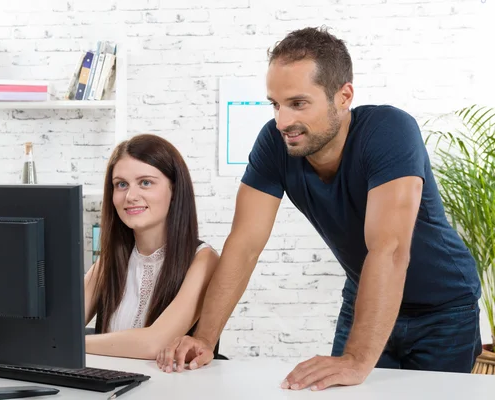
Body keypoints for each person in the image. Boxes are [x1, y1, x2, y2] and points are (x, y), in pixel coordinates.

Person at [157, 26, 483, 389]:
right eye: (275, 104)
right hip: (364, 296)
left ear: (343, 96)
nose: (282, 121)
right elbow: (245, 244)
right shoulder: (274, 143)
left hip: (443, 310)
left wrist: (357, 359)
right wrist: (205, 339)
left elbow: (389, 250)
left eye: (297, 103)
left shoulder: (390, 130)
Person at [83, 133, 219, 360]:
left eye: (145, 183)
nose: (130, 196)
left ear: (174, 190)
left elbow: (154, 344)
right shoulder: (109, 261)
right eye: (121, 185)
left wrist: (73, 344)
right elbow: (60, 329)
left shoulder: (203, 260)